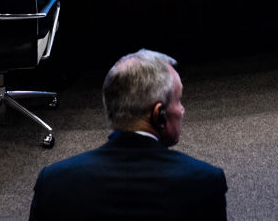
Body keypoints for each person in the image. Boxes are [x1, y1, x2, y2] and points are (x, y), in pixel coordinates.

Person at [29, 49, 227, 221]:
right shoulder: (204, 183)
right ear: (159, 113)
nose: (182, 110)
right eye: (179, 100)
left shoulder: (54, 182)